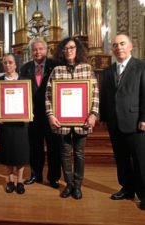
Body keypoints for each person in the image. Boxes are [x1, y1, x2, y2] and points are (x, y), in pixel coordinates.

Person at [45, 37, 99, 199]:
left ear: (78, 50)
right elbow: (48, 95)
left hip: (83, 121)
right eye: (66, 48)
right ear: (62, 51)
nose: (69, 50)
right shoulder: (57, 71)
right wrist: (50, 115)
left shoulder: (87, 69)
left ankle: (78, 185)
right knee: (65, 153)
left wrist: (93, 114)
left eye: (72, 48)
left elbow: (95, 93)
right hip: (62, 122)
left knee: (79, 154)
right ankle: (69, 184)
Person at [99, 34, 145, 210]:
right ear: (112, 49)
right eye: (115, 45)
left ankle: (143, 194)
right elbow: (105, 97)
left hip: (136, 123)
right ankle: (127, 188)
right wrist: (103, 118)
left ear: (131, 46)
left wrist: (144, 118)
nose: (119, 47)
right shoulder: (108, 71)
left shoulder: (141, 66)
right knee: (122, 159)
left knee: (141, 161)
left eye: (122, 43)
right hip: (114, 123)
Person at [20, 38, 61, 188]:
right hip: (33, 115)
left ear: (46, 50)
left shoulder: (56, 66)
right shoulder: (24, 68)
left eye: (40, 49)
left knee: (53, 147)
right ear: (31, 52)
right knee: (35, 147)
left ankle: (53, 177)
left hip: (52, 115)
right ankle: (35, 175)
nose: (37, 52)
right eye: (35, 50)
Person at [0, 53, 30, 194]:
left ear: (16, 64)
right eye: (5, 62)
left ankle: (20, 181)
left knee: (21, 152)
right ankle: (10, 180)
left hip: (21, 123)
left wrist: (30, 113)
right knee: (7, 152)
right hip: (5, 123)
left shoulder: (25, 80)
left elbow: (31, 101)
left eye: (10, 62)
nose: (7, 65)